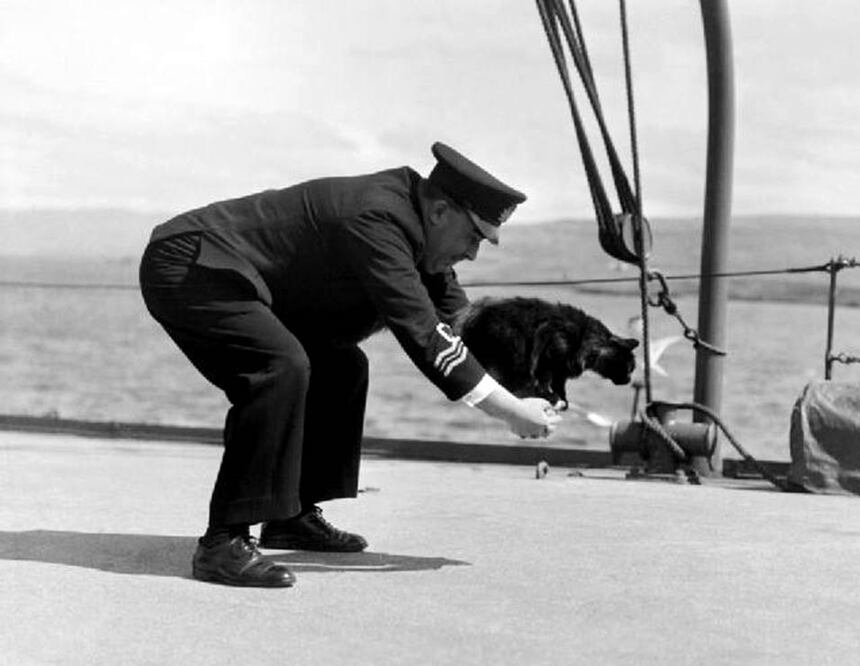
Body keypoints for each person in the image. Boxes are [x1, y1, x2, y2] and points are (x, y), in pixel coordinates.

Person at [139, 142, 561, 588]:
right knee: (279, 367)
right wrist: (510, 412)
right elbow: (422, 332)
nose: (474, 253)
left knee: (341, 366)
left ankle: (289, 515)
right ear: (440, 213)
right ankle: (222, 542)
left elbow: (461, 325)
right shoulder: (378, 220)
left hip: (238, 276)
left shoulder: (419, 234)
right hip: (191, 265)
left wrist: (525, 389)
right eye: (474, 237)